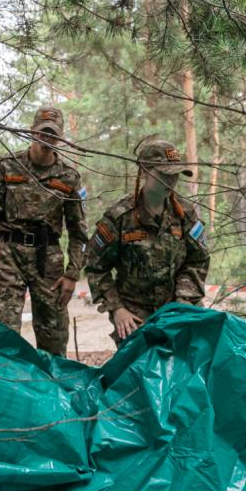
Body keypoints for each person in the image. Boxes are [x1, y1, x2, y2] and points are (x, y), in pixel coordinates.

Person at [0, 106, 89, 356]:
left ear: (60, 138)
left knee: (53, 334)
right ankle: (7, 386)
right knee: (5, 333)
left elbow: (79, 232)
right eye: (43, 134)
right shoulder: (7, 166)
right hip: (8, 256)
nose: (47, 140)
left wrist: (72, 274)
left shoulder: (69, 177)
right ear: (32, 132)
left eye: (53, 135)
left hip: (47, 259)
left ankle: (53, 387)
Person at [84, 139, 210, 343]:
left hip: (178, 308)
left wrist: (184, 299)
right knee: (140, 369)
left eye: (175, 175)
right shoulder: (120, 217)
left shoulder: (185, 215)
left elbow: (199, 260)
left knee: (184, 367)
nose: (171, 181)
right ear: (144, 171)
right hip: (133, 315)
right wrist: (117, 309)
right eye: (164, 175)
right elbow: (95, 267)